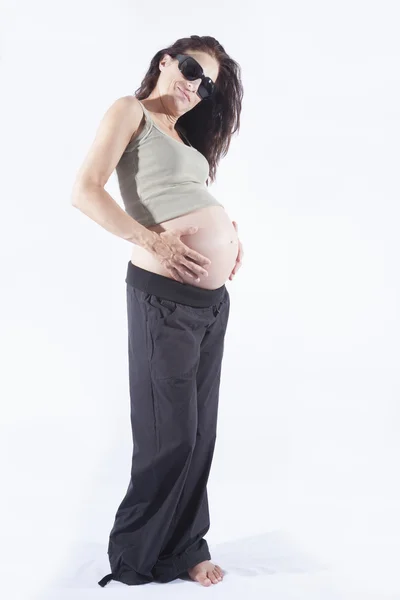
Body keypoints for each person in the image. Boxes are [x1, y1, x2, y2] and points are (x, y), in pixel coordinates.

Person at [71, 35, 244, 587]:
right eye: (191, 68)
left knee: (198, 435)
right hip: (162, 297)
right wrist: (158, 241)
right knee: (168, 436)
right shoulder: (131, 112)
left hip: (210, 303)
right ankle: (134, 557)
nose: (195, 85)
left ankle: (185, 548)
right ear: (165, 59)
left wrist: (230, 235)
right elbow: (85, 191)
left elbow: (186, 195)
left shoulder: (184, 139)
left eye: (208, 84)